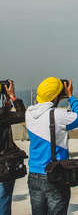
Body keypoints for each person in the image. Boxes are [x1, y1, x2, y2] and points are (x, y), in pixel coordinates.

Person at [25, 77, 78, 215]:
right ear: (56, 97)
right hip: (54, 175)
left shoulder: (29, 113)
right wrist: (70, 96)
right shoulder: (59, 115)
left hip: (34, 174)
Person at [0, 80, 26, 215]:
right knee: (3, 198)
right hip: (3, 165)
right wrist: (13, 97)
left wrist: (6, 107)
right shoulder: (3, 116)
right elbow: (22, 115)